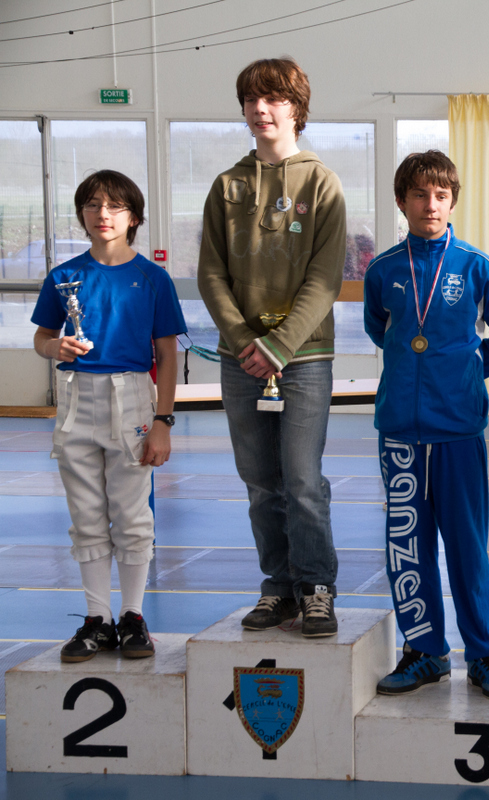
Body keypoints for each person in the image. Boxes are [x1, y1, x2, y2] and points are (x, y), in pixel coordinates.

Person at [364, 150, 489, 700]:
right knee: (407, 547)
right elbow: (380, 329)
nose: (429, 205)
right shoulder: (383, 269)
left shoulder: (478, 266)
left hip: (458, 429)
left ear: (452, 201)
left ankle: (485, 654)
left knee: (467, 547)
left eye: (440, 195)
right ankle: (424, 650)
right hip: (400, 432)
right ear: (401, 201)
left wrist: (472, 368)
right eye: (418, 194)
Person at [197, 57, 346, 637]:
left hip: (302, 358)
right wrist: (244, 342)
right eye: (252, 99)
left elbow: (325, 279)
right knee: (260, 482)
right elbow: (212, 274)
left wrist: (279, 346)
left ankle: (316, 588)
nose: (261, 108)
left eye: (274, 98)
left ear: (296, 109)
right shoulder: (226, 186)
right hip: (241, 359)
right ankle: (278, 588)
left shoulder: (321, 183)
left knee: (302, 479)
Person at [32, 169, 186, 662]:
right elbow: (42, 337)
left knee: (131, 513)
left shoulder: (153, 278)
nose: (103, 214)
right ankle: (97, 618)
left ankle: (133, 616)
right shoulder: (63, 276)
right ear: (82, 213)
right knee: (86, 514)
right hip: (76, 396)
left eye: (115, 206)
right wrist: (54, 347)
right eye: (94, 205)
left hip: (132, 396)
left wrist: (163, 421)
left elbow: (167, 354)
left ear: (134, 217)